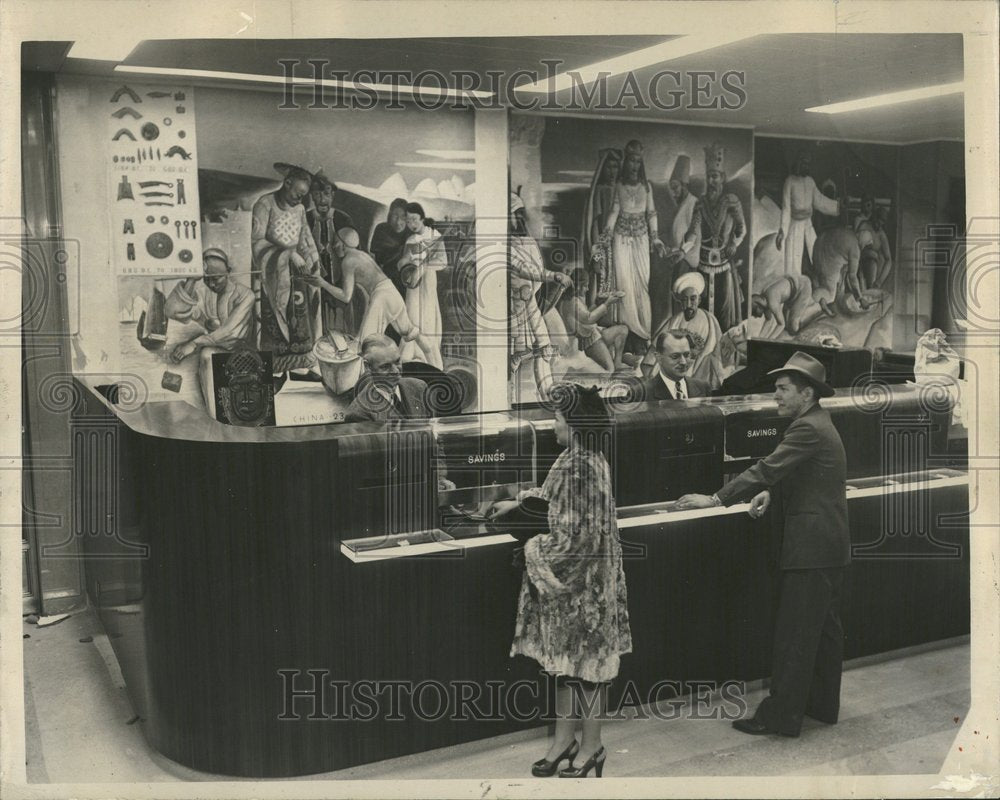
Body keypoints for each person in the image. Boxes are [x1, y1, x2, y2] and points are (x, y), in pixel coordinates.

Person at [677, 352, 851, 738]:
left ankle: (780, 716)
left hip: (810, 549)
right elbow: (800, 473)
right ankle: (822, 706)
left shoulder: (806, 428)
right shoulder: (818, 422)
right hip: (829, 546)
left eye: (783, 389)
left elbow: (767, 467)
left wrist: (717, 498)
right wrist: (772, 493)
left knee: (795, 636)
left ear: (806, 394)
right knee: (822, 633)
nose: (776, 395)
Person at [490, 383, 631, 778]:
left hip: (581, 587)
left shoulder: (580, 466)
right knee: (566, 667)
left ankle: (592, 746)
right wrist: (520, 502)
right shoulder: (580, 457)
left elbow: (576, 540)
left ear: (575, 422)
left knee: (586, 669)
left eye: (557, 417)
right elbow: (557, 502)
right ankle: (563, 741)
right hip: (583, 586)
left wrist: (533, 548)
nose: (553, 424)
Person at [309, 227, 439, 365]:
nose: (332, 246)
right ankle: (436, 364)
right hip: (392, 293)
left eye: (335, 242)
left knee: (364, 342)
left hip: (381, 297)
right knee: (411, 331)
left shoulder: (348, 260)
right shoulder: (361, 255)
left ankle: (359, 379)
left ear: (343, 243)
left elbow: (346, 296)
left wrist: (322, 283)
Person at [251, 163, 323, 378]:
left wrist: (313, 261)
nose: (300, 200)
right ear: (287, 183)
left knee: (300, 316)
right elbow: (257, 242)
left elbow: (305, 240)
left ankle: (300, 366)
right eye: (297, 193)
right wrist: (288, 254)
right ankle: (274, 371)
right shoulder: (264, 204)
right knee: (273, 319)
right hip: (271, 273)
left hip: (297, 273)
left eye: (303, 196)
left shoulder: (300, 209)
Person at [164, 247, 256, 402]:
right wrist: (191, 280)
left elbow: (231, 332)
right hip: (218, 348)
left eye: (216, 278)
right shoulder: (205, 294)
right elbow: (172, 311)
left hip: (242, 353)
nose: (212, 284)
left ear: (228, 271)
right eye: (207, 279)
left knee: (207, 355)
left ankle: (214, 411)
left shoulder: (246, 295)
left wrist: (194, 343)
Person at [675, 143, 747, 332]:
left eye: (715, 176)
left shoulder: (732, 201)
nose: (711, 181)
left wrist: (734, 242)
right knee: (703, 309)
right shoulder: (700, 203)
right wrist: (683, 250)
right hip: (704, 266)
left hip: (724, 266)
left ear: (722, 178)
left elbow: (742, 229)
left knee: (724, 311)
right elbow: (693, 231)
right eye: (709, 177)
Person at [509, 193, 574, 398]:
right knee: (517, 355)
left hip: (529, 304)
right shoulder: (504, 244)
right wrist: (553, 276)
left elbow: (534, 268)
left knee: (543, 349)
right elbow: (525, 268)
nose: (519, 219)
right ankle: (508, 396)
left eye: (520, 214)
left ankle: (547, 392)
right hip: (515, 310)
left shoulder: (527, 241)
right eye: (514, 214)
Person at [603, 140, 666, 346]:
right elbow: (613, 212)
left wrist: (655, 238)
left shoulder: (646, 187)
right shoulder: (618, 186)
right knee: (624, 283)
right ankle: (627, 336)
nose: (634, 166)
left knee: (641, 285)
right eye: (631, 161)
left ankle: (644, 333)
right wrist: (606, 236)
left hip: (641, 239)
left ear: (641, 164)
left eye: (638, 162)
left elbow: (652, 213)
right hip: (621, 238)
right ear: (626, 162)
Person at [642, 271, 724, 388]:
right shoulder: (675, 320)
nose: (689, 304)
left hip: (701, 367)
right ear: (680, 302)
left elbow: (717, 349)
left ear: (699, 300)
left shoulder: (709, 319)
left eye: (693, 299)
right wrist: (648, 367)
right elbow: (656, 345)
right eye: (685, 300)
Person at [776, 151, 841, 277]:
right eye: (804, 164)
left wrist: (838, 207)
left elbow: (819, 200)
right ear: (798, 164)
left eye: (808, 164)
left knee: (816, 251)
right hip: (794, 224)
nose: (806, 167)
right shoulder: (789, 181)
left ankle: (822, 280)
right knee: (794, 258)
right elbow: (786, 208)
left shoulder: (810, 181)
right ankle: (794, 285)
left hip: (808, 222)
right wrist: (783, 231)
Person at [306, 169, 355, 335]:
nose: (322, 199)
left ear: (332, 195)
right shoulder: (306, 219)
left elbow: (352, 252)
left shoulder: (343, 219)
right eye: (317, 194)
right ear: (312, 196)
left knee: (341, 328)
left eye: (326, 194)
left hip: (339, 281)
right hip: (312, 282)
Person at [397, 202, 445, 369]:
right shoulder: (410, 239)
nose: (412, 224)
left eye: (415, 220)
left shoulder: (435, 236)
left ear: (422, 218)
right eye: (408, 221)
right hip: (413, 284)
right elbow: (403, 261)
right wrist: (405, 263)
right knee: (412, 314)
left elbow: (442, 262)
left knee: (427, 316)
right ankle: (411, 355)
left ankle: (428, 358)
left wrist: (423, 267)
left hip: (428, 281)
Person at [557, 271, 627, 372]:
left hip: (593, 334)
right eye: (585, 286)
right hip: (587, 341)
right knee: (609, 369)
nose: (587, 289)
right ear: (578, 286)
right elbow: (589, 318)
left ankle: (618, 362)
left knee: (623, 330)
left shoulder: (574, 299)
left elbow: (585, 315)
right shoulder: (572, 301)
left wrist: (597, 303)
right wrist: (606, 303)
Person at [582, 149, 623, 310]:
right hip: (604, 244)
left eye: (615, 167)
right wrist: (597, 249)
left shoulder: (622, 190)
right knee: (601, 280)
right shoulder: (601, 190)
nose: (612, 171)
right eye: (609, 167)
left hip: (621, 243)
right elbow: (595, 222)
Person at [640, 330, 711, 401]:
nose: (683, 362)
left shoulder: (703, 387)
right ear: (659, 358)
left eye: (686, 355)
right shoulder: (642, 393)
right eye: (675, 356)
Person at [370, 197, 411, 297]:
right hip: (385, 279)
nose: (398, 222)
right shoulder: (381, 229)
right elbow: (378, 260)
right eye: (395, 216)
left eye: (403, 217)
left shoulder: (411, 234)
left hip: (406, 280)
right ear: (389, 215)